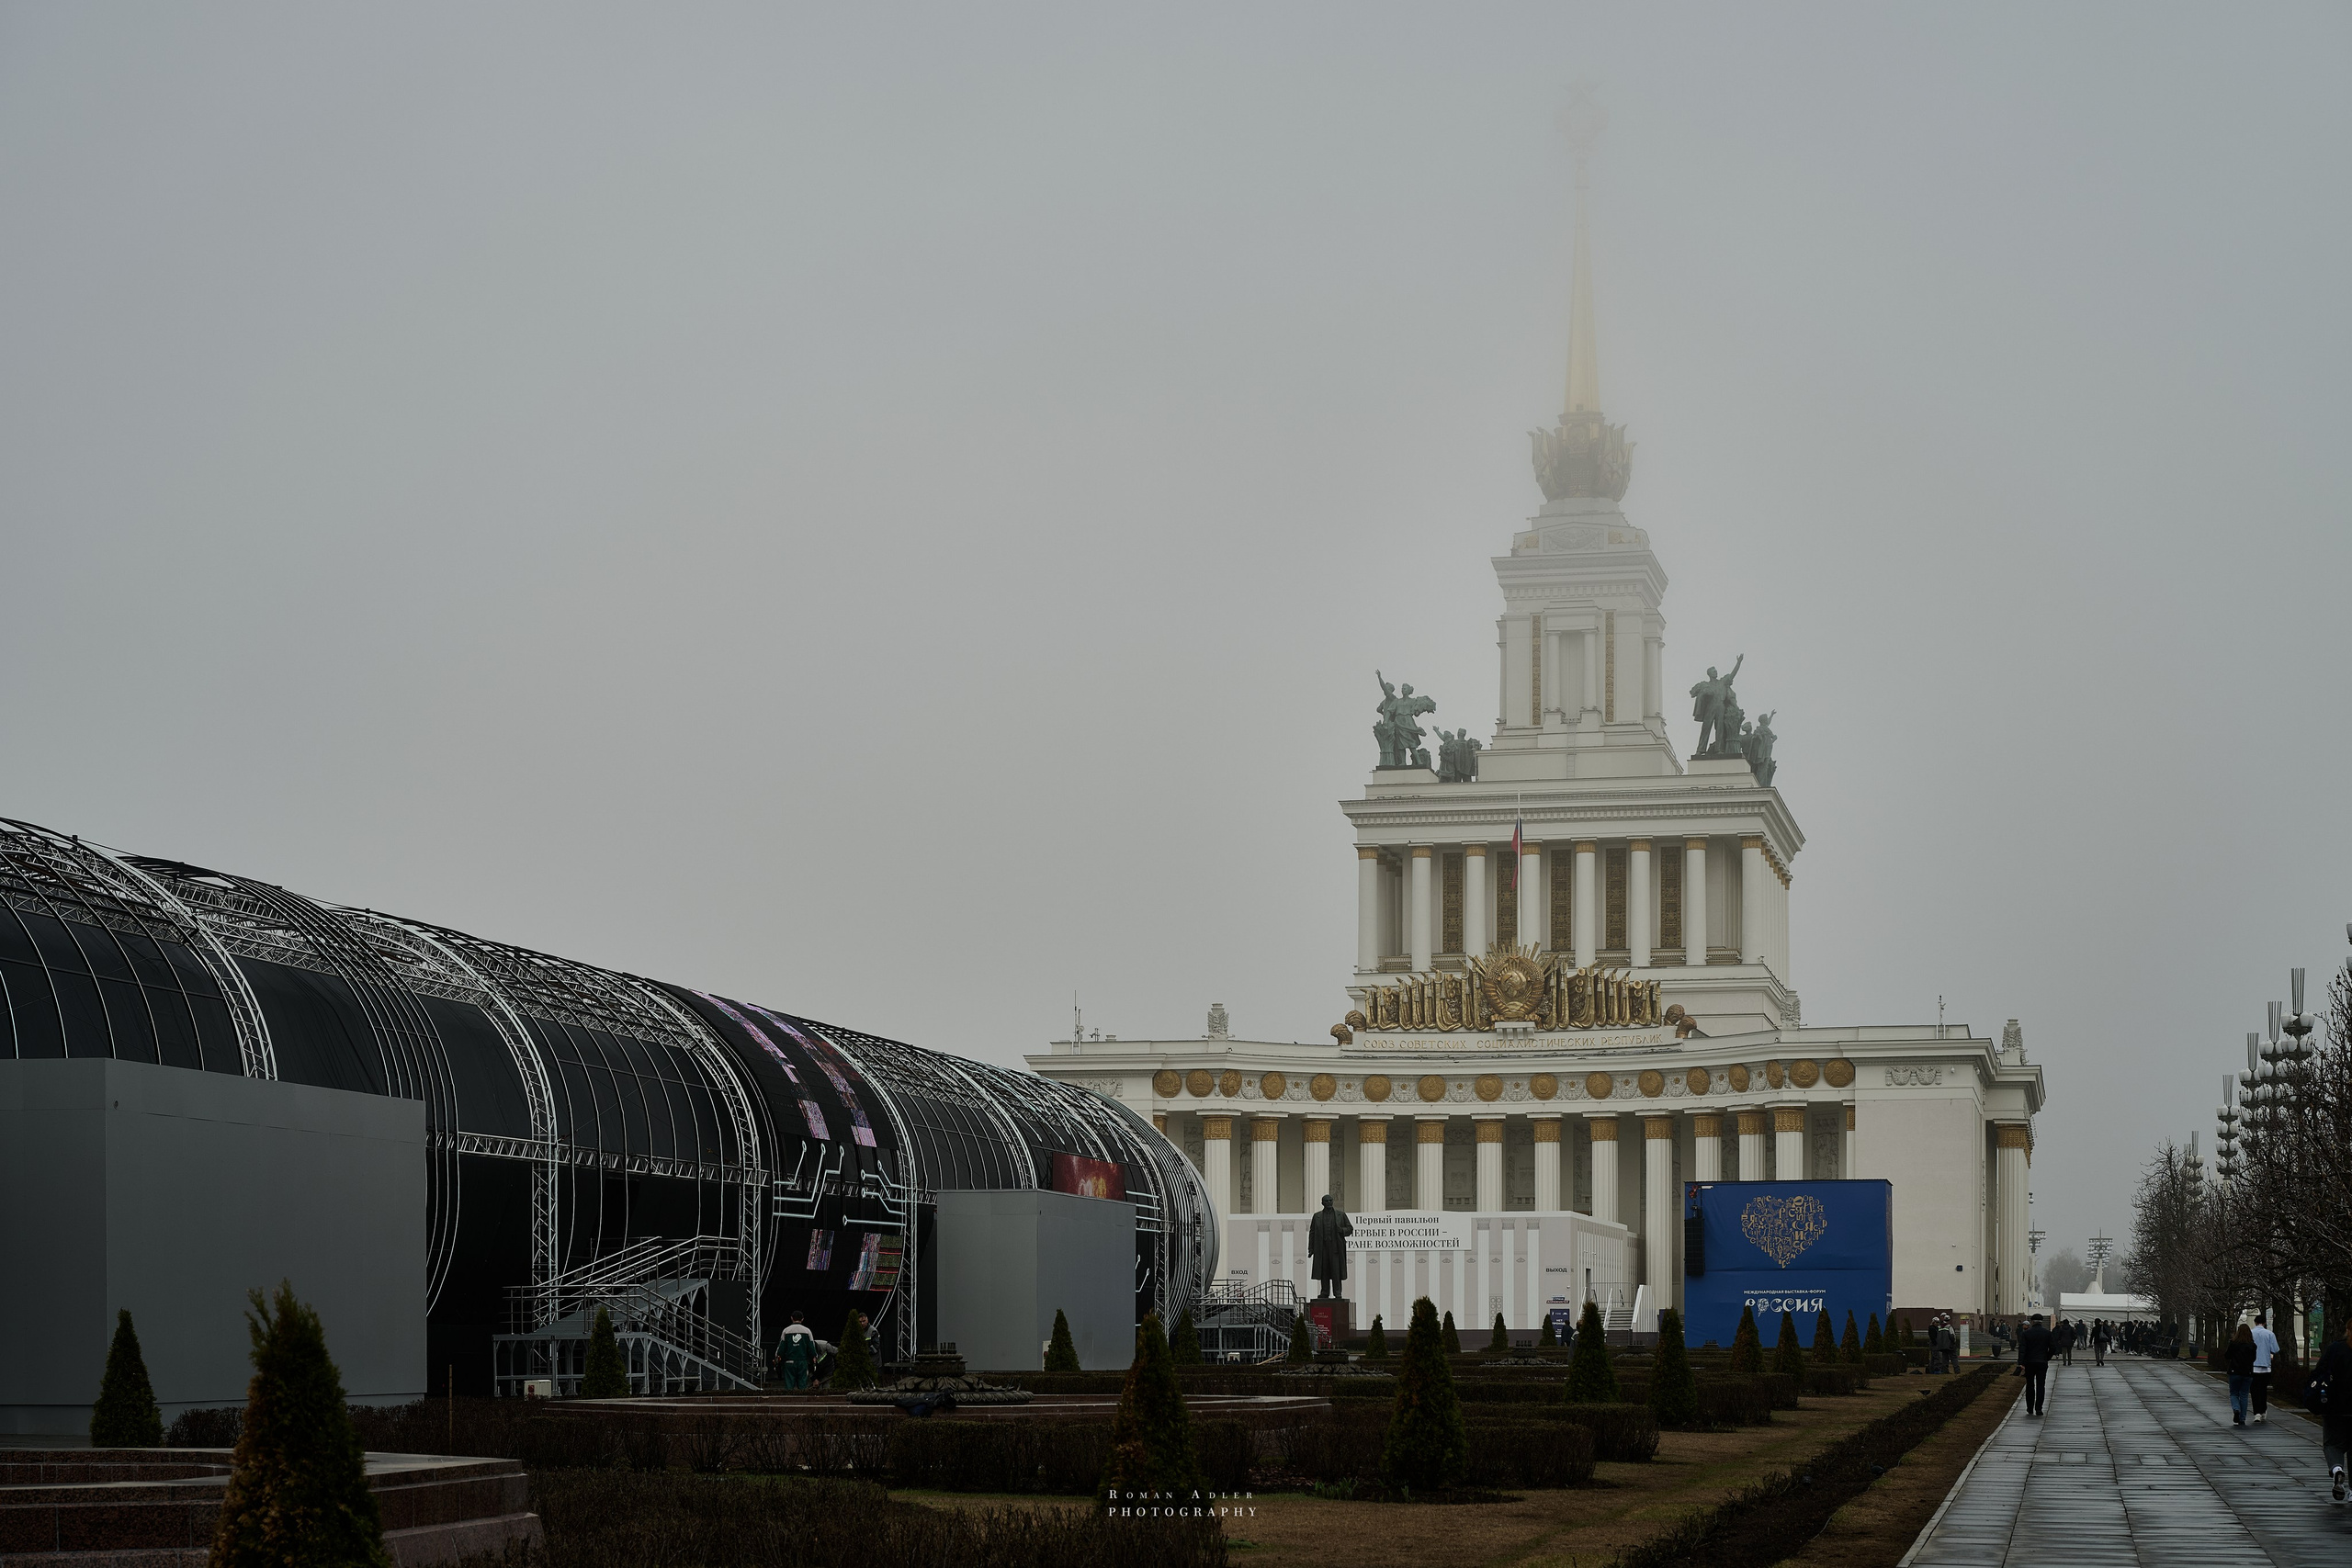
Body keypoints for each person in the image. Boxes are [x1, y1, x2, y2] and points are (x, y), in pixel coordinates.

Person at [2314, 1316, 2351, 1505]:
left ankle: (2337, 1470)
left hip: (2335, 1406)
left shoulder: (2336, 1348)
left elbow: (2320, 1373)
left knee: (2332, 1444)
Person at [2018, 1313, 2053, 1417]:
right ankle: (2039, 1409)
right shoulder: (2047, 1333)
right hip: (2042, 1362)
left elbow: (2022, 1350)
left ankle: (2030, 1408)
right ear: (2042, 1322)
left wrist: (2021, 1363)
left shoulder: (2026, 1334)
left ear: (2032, 1322)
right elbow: (2053, 1348)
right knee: (2040, 1385)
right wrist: (2047, 1357)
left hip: (2029, 1362)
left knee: (2030, 1385)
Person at [2250, 1312, 2280, 1425]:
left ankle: (2256, 1412)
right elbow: (2275, 1349)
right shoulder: (2269, 1334)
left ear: (2255, 1322)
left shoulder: (2250, 1333)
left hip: (2253, 1366)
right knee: (2263, 1390)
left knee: (2254, 1390)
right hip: (2266, 1366)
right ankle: (2263, 1410)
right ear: (2265, 1323)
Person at [775, 1312, 815, 1391]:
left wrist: (779, 1358)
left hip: (789, 1362)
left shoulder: (786, 1331)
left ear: (792, 1318)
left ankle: (789, 1401)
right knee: (803, 1386)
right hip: (803, 1362)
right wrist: (814, 1356)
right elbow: (811, 1347)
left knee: (789, 1386)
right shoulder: (807, 1331)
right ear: (802, 1319)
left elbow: (781, 1348)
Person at [2226, 1322, 2256, 1427]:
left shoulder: (2233, 1344)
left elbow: (2227, 1356)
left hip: (2235, 1372)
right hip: (2247, 1373)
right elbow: (2253, 1359)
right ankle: (2242, 1418)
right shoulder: (2252, 1345)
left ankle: (2236, 1409)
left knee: (2234, 1393)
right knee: (2244, 1395)